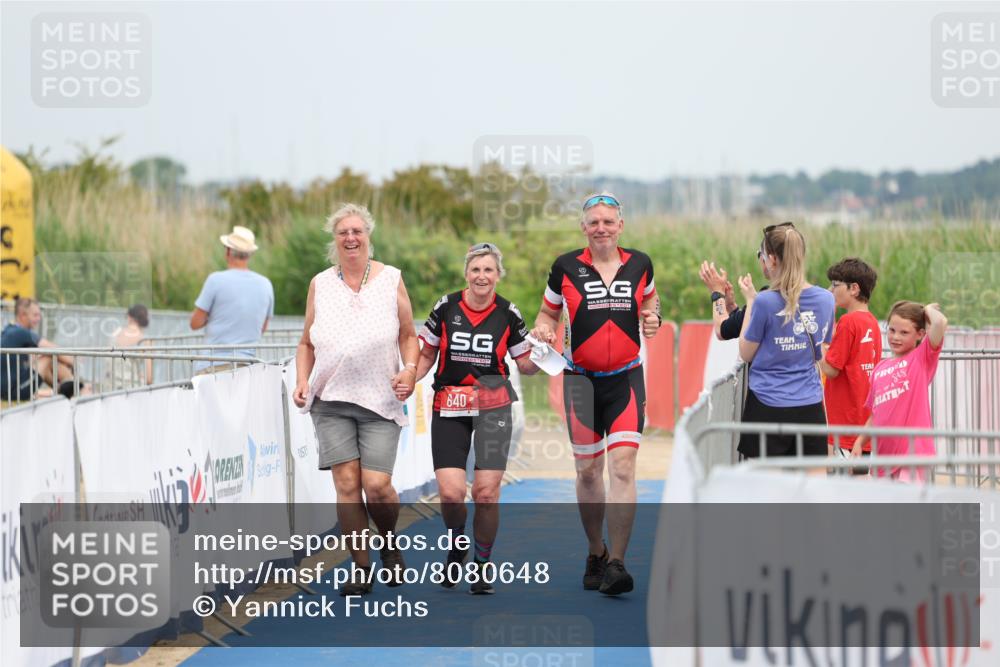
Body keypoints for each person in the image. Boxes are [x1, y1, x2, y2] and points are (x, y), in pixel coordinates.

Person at [530, 192, 660, 596]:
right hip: (580, 381)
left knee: (622, 467)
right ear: (584, 228)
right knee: (588, 471)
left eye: (608, 221)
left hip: (625, 379)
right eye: (594, 222)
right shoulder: (565, 267)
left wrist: (653, 317)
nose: (601, 228)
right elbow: (548, 312)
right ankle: (596, 550)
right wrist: (544, 330)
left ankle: (618, 563)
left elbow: (651, 300)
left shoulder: (640, 263)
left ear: (620, 226)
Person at [291, 203, 420, 596]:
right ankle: (360, 567)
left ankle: (389, 543)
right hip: (330, 399)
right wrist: (302, 379)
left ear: (368, 236)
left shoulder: (390, 279)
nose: (351, 238)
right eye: (343, 232)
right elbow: (305, 342)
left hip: (380, 398)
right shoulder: (320, 283)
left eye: (357, 231)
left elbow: (409, 335)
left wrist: (410, 371)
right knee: (347, 486)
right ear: (335, 239)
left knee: (377, 485)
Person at [415, 243, 540, 595]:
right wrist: (409, 376)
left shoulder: (508, 314)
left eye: (488, 270)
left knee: (486, 493)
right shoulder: (446, 306)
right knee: (452, 494)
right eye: (475, 270)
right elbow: (426, 353)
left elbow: (526, 366)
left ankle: (483, 565)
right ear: (466, 274)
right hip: (449, 403)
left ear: (498, 275)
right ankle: (457, 543)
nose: (482, 276)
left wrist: (545, 348)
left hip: (493, 407)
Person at [737, 222, 835, 458]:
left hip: (767, 403)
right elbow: (822, 348)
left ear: (771, 260)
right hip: (810, 404)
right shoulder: (826, 299)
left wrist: (750, 302)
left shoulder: (764, 302)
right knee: (811, 487)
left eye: (760, 256)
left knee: (768, 489)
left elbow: (746, 352)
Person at [851, 302, 948, 483]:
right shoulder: (879, 368)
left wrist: (926, 310)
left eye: (904, 332)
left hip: (911, 456)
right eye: (892, 330)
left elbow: (940, 323)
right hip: (883, 459)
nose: (896, 337)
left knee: (908, 508)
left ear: (920, 334)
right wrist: (859, 441)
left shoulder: (921, 359)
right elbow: (875, 414)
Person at [819, 259, 881, 467]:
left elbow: (831, 369)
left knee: (842, 491)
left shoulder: (848, 321)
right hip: (863, 423)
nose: (830, 290)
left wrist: (813, 339)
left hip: (845, 423)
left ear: (854, 288)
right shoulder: (871, 321)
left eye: (835, 285)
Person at [190, 225, 274, 373]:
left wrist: (214, 317)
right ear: (249, 255)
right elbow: (262, 327)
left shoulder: (215, 280)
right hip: (247, 368)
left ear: (228, 251)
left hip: (212, 366)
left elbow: (195, 323)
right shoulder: (265, 284)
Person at [1, 298, 76, 401]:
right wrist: (73, 361)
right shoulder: (21, 332)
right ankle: (75, 390)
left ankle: (67, 389)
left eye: (39, 315)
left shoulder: (9, 330)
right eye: (35, 315)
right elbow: (56, 351)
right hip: (12, 392)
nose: (39, 319)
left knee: (44, 358)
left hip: (8, 389)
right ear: (23, 315)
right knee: (47, 357)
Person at [699, 257, 770, 341]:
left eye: (760, 253)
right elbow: (744, 324)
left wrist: (717, 293)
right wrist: (731, 307)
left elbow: (722, 330)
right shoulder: (783, 295)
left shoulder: (766, 298)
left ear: (772, 259)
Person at [105, 304, 154, 389]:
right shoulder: (145, 341)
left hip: (110, 387)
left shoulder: (114, 335)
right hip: (133, 389)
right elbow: (149, 378)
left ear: (129, 317)